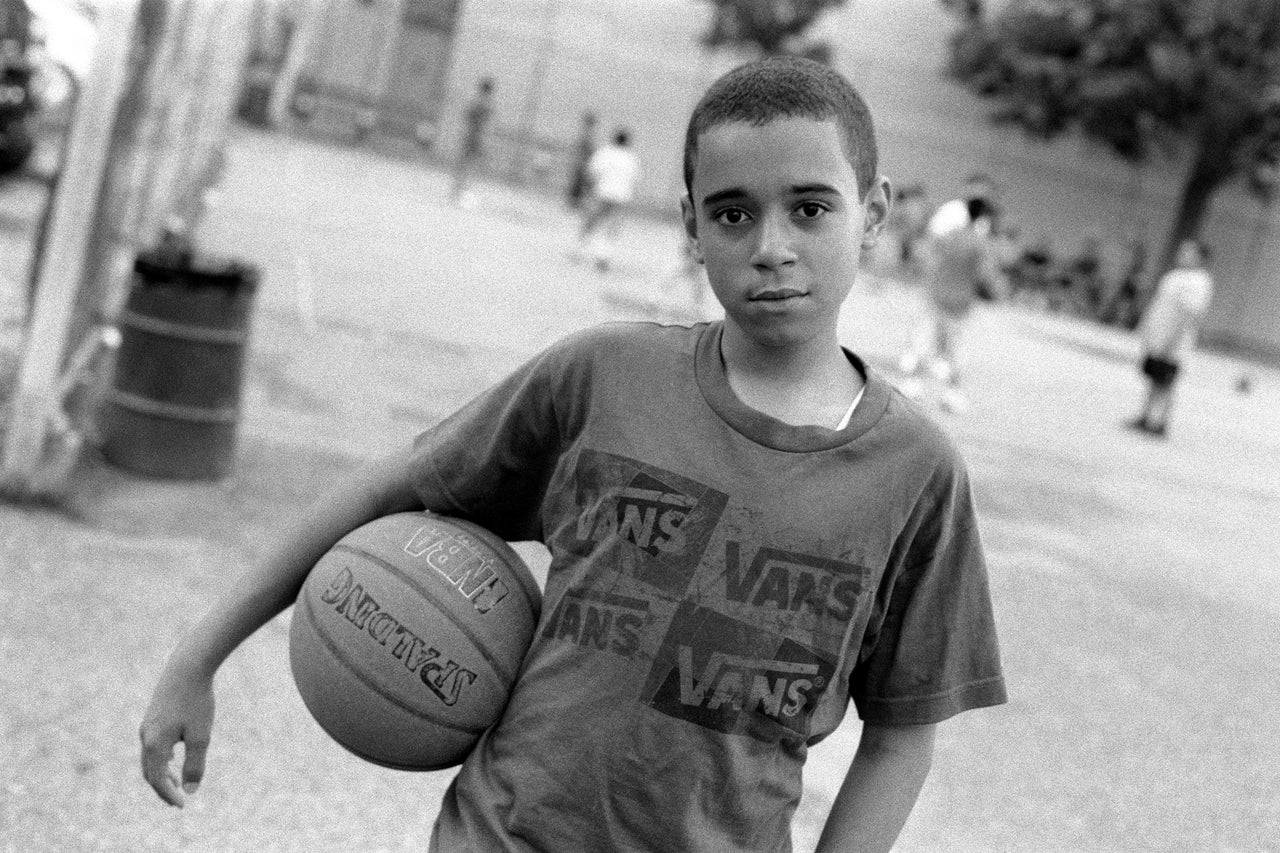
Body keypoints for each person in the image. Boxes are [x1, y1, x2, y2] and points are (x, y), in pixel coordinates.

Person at [140, 57, 1006, 852]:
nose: (771, 245)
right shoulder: (603, 375)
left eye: (810, 207)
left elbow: (899, 737)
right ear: (692, 228)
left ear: (876, 213)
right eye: (732, 212)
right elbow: (392, 486)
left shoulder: (915, 473)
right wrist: (198, 654)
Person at [897, 177, 1002, 413]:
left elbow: (929, 255)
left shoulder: (950, 235)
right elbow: (986, 275)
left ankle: (913, 384)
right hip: (960, 303)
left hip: (937, 295)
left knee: (924, 341)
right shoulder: (979, 243)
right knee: (954, 350)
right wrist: (996, 292)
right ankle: (951, 394)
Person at [1128, 238, 1214, 438]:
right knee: (1152, 378)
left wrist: (1171, 340)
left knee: (1166, 382)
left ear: (1200, 257)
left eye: (1188, 252)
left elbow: (1190, 313)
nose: (1182, 255)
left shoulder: (1199, 282)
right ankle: (1145, 415)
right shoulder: (1174, 276)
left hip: (1174, 341)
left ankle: (1161, 422)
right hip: (1158, 336)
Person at [570, 127, 641, 272]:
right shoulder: (631, 158)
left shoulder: (605, 152)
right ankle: (604, 256)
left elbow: (592, 171)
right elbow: (636, 178)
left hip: (602, 192)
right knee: (611, 227)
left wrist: (588, 188)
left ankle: (580, 250)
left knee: (591, 221)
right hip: (621, 196)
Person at [449, 77, 494, 207]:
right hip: (477, 136)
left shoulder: (475, 102)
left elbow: (466, 116)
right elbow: (486, 123)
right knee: (469, 164)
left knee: (464, 162)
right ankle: (461, 190)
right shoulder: (486, 105)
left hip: (470, 134)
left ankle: (457, 189)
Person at [565, 109, 597, 209]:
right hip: (581, 163)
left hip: (581, 163)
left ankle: (574, 203)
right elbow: (583, 149)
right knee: (578, 184)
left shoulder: (586, 135)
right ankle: (574, 203)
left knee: (578, 184)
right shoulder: (586, 136)